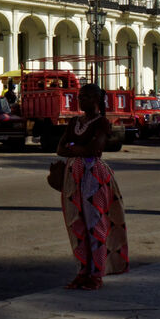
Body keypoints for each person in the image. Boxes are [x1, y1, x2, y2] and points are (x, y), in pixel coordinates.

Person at [56, 83, 128, 290]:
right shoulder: (74, 122)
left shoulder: (102, 123)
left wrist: (74, 148)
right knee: (76, 224)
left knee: (95, 225)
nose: (81, 100)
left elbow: (95, 150)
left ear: (96, 99)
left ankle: (96, 274)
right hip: (73, 177)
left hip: (93, 177)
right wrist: (79, 149)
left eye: (86, 97)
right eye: (80, 96)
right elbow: (60, 148)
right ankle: (82, 271)